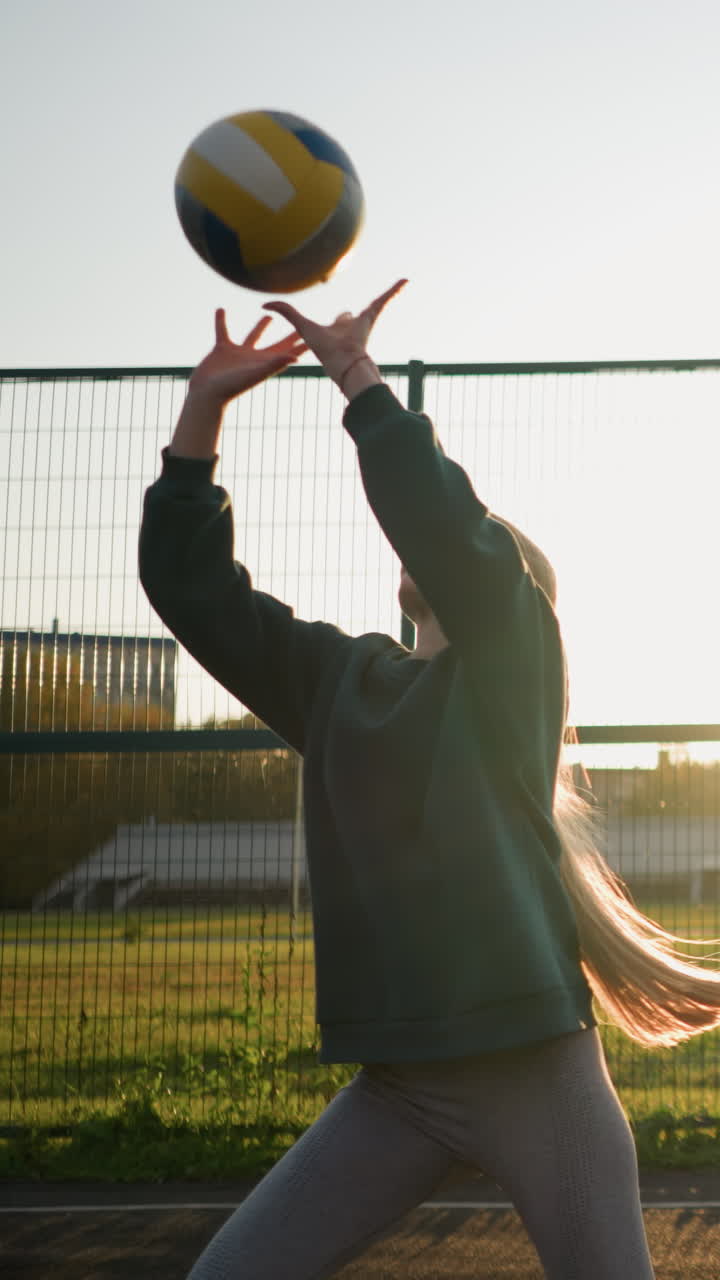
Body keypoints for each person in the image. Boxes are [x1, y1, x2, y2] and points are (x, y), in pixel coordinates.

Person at [139, 281, 720, 1279]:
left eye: (468, 542)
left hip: (538, 1074)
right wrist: (202, 413)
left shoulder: (512, 668)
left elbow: (449, 528)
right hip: (400, 1088)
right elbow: (194, 592)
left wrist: (358, 377)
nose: (438, 544)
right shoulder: (340, 681)